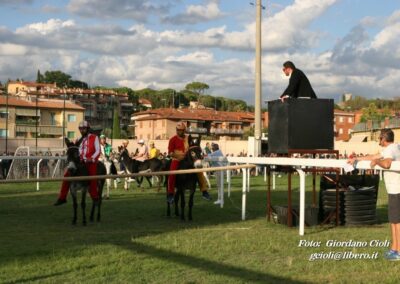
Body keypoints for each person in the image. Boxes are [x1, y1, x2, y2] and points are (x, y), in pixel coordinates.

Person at [348, 129, 400, 260]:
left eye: (379, 138)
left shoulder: (390, 150)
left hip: (396, 190)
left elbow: (387, 164)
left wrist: (377, 163)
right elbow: (374, 156)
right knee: (394, 221)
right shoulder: (394, 147)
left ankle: (398, 252)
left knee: (397, 222)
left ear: (383, 139)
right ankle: (394, 249)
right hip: (395, 190)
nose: (379, 141)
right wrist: (356, 159)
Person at [54, 121, 100, 206]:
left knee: (93, 176)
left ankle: (95, 197)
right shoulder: (78, 139)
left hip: (90, 162)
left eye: (84, 128)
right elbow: (75, 151)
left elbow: (98, 150)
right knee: (66, 175)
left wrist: (92, 159)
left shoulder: (95, 137)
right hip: (80, 161)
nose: (82, 130)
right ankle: (62, 198)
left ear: (88, 129)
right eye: (80, 129)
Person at [167, 121, 211, 204]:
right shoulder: (173, 139)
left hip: (188, 159)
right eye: (179, 130)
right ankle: (170, 194)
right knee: (172, 174)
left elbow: (193, 147)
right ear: (176, 130)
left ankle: (204, 191)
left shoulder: (188, 138)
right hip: (176, 159)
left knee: (199, 171)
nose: (180, 131)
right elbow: (170, 153)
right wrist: (177, 156)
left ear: (184, 130)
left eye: (182, 130)